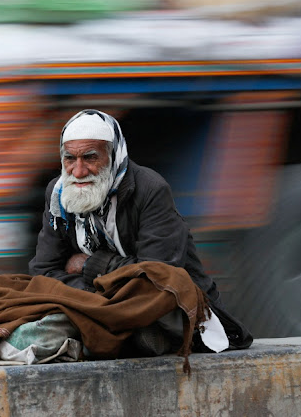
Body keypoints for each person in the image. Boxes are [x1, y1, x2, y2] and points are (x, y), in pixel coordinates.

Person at [29, 109, 252, 352]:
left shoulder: (150, 189)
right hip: (102, 302)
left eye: (90, 158)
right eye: (69, 159)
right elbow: (43, 271)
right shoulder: (58, 193)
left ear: (113, 155)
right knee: (5, 293)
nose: (78, 171)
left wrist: (90, 265)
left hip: (161, 302)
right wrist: (94, 297)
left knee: (151, 301)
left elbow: (158, 275)